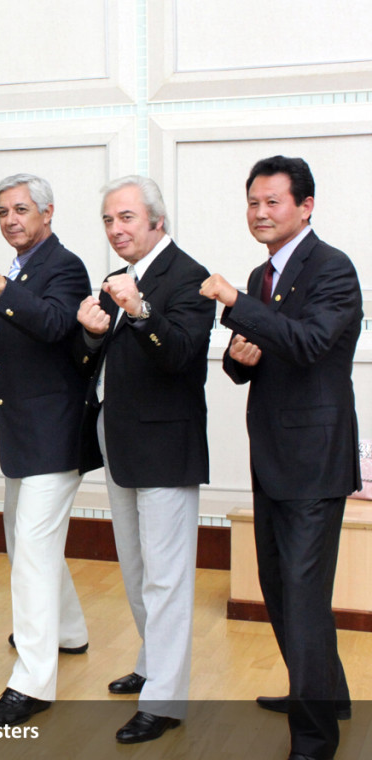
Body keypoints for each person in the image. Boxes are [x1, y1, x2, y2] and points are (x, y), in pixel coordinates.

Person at [200, 155, 360, 760]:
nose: (260, 213)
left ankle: (314, 737)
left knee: (302, 596)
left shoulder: (332, 267)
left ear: (305, 206)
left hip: (314, 462)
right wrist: (238, 357)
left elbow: (311, 343)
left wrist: (235, 301)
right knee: (280, 588)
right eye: (253, 202)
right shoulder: (262, 274)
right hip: (271, 457)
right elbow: (257, 355)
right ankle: (325, 693)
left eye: (273, 202)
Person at [75, 175, 213, 744]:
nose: (116, 229)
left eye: (127, 217)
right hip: (119, 440)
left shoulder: (190, 276)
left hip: (166, 446)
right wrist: (90, 336)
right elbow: (102, 362)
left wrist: (140, 311)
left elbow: (180, 357)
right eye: (109, 219)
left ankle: (165, 700)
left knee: (166, 578)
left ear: (158, 220)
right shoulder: (116, 279)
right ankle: (154, 661)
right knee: (135, 571)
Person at [0, 174, 91, 726]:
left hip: (54, 433)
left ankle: (33, 683)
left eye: (20, 209)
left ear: (48, 212)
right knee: (24, 543)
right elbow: (12, 349)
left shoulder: (65, 266)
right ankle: (69, 630)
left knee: (32, 555)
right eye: (2, 211)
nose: (10, 220)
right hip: (21, 432)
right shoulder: (19, 271)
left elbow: (57, 324)